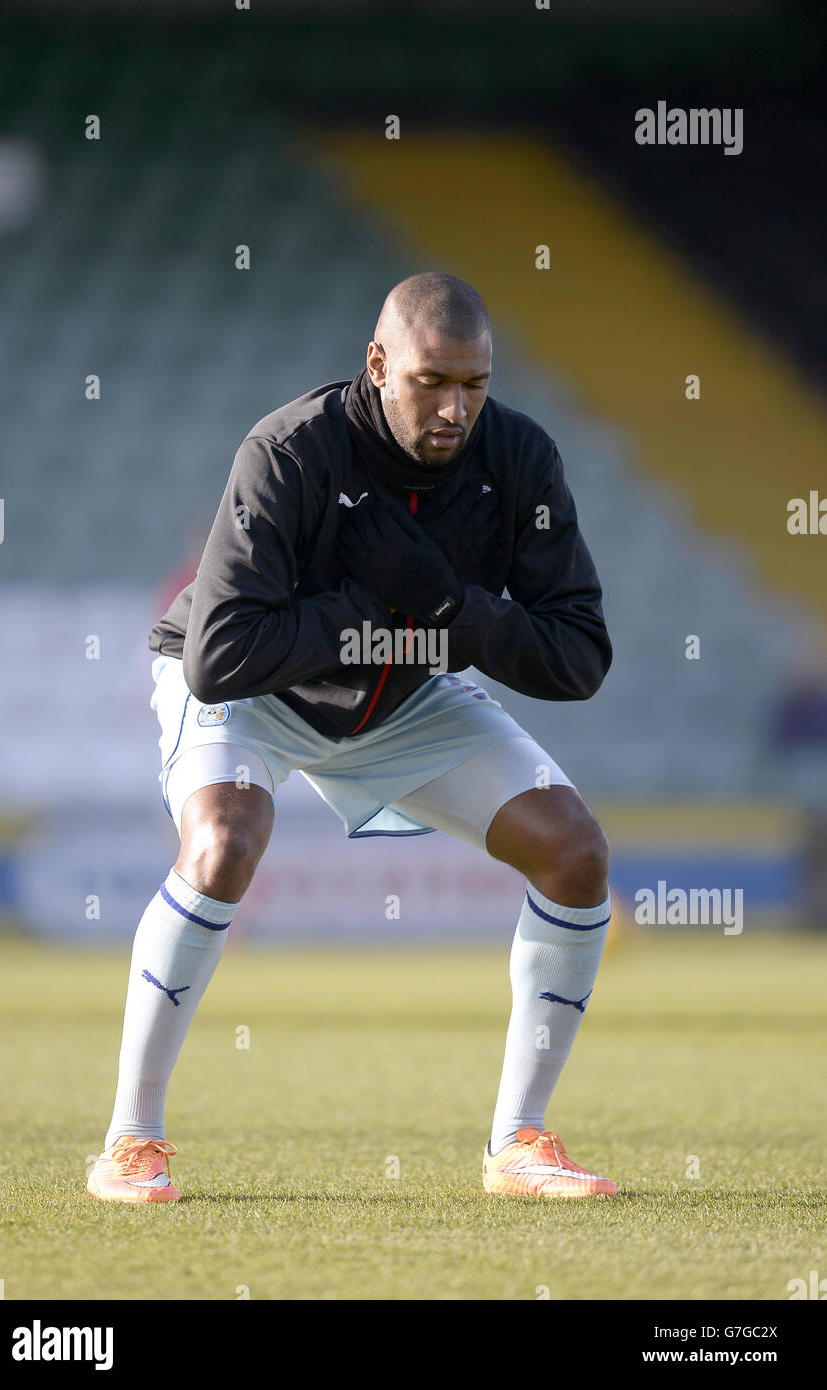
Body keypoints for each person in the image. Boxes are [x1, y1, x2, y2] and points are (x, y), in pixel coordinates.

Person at [87, 271, 617, 1203]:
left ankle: (517, 1143)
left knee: (576, 856)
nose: (454, 408)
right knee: (222, 844)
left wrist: (448, 607)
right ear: (377, 365)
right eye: (430, 381)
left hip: (407, 701)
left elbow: (577, 657)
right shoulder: (290, 450)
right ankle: (130, 1142)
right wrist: (363, 613)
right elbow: (217, 657)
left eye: (474, 384)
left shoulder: (520, 461)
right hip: (257, 692)